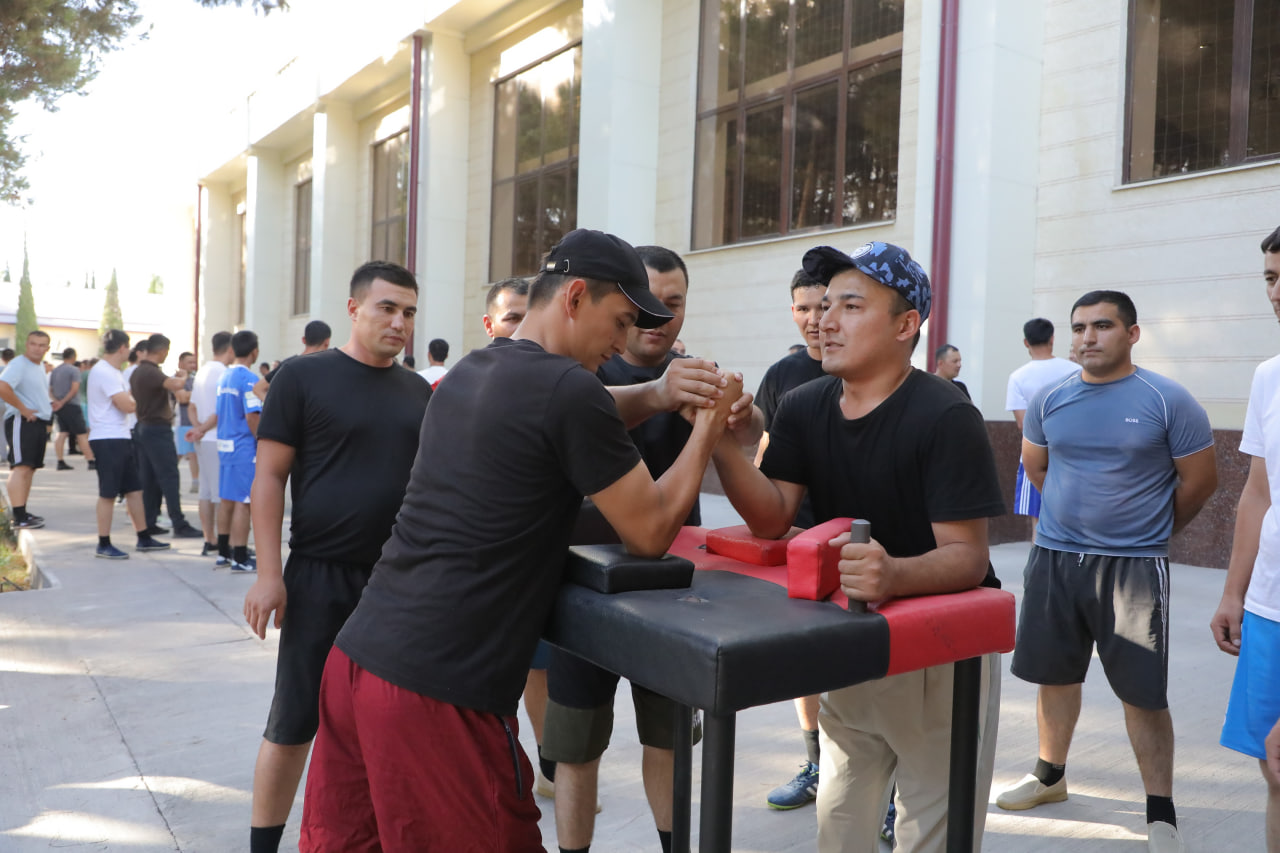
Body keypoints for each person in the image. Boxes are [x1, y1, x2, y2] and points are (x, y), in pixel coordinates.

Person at [297, 228, 740, 851]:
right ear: (575, 297)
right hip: (440, 692)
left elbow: (570, 412)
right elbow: (648, 530)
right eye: (619, 322)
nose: (622, 342)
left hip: (357, 663)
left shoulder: (476, 369)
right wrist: (708, 428)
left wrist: (658, 393)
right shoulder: (568, 389)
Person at [711, 240, 1007, 853]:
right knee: (840, 819)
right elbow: (772, 518)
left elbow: (969, 557)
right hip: (850, 640)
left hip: (941, 650)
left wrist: (893, 574)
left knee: (934, 827)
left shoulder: (946, 415)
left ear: (905, 325)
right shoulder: (802, 405)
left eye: (850, 306)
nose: (825, 321)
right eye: (824, 306)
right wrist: (717, 439)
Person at [545, 244, 758, 853]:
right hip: (580, 590)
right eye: (643, 305)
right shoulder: (580, 372)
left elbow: (748, 437)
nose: (657, 317)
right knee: (576, 748)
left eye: (673, 303)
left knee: (668, 742)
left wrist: (740, 420)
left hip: (672, 594)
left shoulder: (696, 371)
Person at [997, 290, 1217, 853]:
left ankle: (1160, 812)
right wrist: (1071, 520)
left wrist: (1148, 531)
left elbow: (1199, 482)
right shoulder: (1051, 398)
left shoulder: (1168, 400)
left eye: (1102, 326)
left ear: (1132, 333)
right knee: (1054, 675)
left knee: (1142, 693)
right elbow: (1037, 467)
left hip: (1133, 567)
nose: (1087, 338)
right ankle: (1050, 776)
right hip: (1054, 559)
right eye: (1079, 328)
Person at [241, 262, 431, 853]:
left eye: (409, 312)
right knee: (294, 720)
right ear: (354, 309)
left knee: (393, 724)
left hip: (396, 584)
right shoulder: (302, 377)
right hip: (319, 576)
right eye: (387, 308)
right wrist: (268, 575)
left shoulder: (418, 392)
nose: (399, 322)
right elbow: (269, 478)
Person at [1211, 226, 1280, 853]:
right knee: (1275, 771)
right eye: (1270, 278)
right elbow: (1259, 492)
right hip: (1268, 609)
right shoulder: (1269, 376)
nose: (1276, 292)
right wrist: (1235, 592)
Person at [753, 268, 829, 811]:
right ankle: (817, 764)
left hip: (859, 543)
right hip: (800, 544)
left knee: (869, 673)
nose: (814, 319)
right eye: (803, 308)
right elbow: (764, 451)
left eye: (824, 306)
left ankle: (889, 790)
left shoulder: (870, 369)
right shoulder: (783, 375)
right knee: (810, 664)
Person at [87, 330, 170, 559]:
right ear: (123, 348)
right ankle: (103, 543)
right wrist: (135, 400)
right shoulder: (105, 372)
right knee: (108, 493)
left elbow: (129, 400)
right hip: (108, 438)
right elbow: (128, 405)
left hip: (120, 436)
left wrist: (132, 399)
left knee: (134, 490)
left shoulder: (115, 372)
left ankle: (143, 537)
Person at [130, 334, 201, 539]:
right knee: (169, 476)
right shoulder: (151, 371)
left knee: (149, 478)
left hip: (143, 427)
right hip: (156, 429)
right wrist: (184, 376)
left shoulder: (138, 371)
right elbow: (176, 386)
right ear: (162, 351)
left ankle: (150, 520)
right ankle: (178, 522)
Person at [1005, 318, 1078, 518]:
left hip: (1035, 456)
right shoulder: (1075, 371)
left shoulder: (1018, 377)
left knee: (1039, 521)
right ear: (1052, 338)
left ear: (1026, 342)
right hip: (1074, 455)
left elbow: (1023, 424)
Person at [216, 330, 262, 573]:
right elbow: (252, 416)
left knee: (227, 499)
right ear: (255, 351)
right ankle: (240, 557)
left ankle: (223, 553)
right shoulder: (249, 379)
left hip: (225, 445)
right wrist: (262, 441)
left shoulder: (224, 376)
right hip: (243, 447)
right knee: (244, 501)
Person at [186, 332, 235, 560]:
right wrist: (203, 429)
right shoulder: (223, 373)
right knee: (221, 495)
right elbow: (219, 411)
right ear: (230, 349)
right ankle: (229, 544)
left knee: (205, 492)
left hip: (202, 440)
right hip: (216, 438)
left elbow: (192, 407)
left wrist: (198, 429)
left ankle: (210, 539)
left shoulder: (202, 371)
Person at [0, 330, 53, 529]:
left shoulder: (38, 366)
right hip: (21, 421)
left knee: (29, 468)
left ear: (47, 348)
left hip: (36, 422)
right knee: (21, 467)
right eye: (33, 343)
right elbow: (2, 386)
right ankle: (18, 517)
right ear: (26, 344)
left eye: (42, 345)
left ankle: (23, 512)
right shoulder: (19, 364)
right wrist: (22, 409)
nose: (37, 348)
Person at [253, 320, 331, 401]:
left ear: (304, 340)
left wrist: (276, 406)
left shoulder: (288, 365)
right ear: (327, 342)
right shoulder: (327, 368)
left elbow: (258, 388)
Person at [50, 347, 95, 471]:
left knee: (62, 432)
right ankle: (90, 460)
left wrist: (57, 402)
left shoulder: (55, 370)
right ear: (74, 357)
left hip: (59, 406)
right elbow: (74, 389)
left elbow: (50, 389)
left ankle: (60, 461)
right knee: (81, 433)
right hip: (72, 405)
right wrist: (63, 401)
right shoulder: (74, 370)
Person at [173, 351, 198, 492]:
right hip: (180, 422)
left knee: (193, 453)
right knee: (177, 454)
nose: (193, 365)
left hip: (193, 421)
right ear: (180, 363)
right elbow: (182, 398)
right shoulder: (175, 380)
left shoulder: (196, 380)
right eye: (189, 362)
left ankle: (195, 482)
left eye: (194, 362)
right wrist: (198, 393)